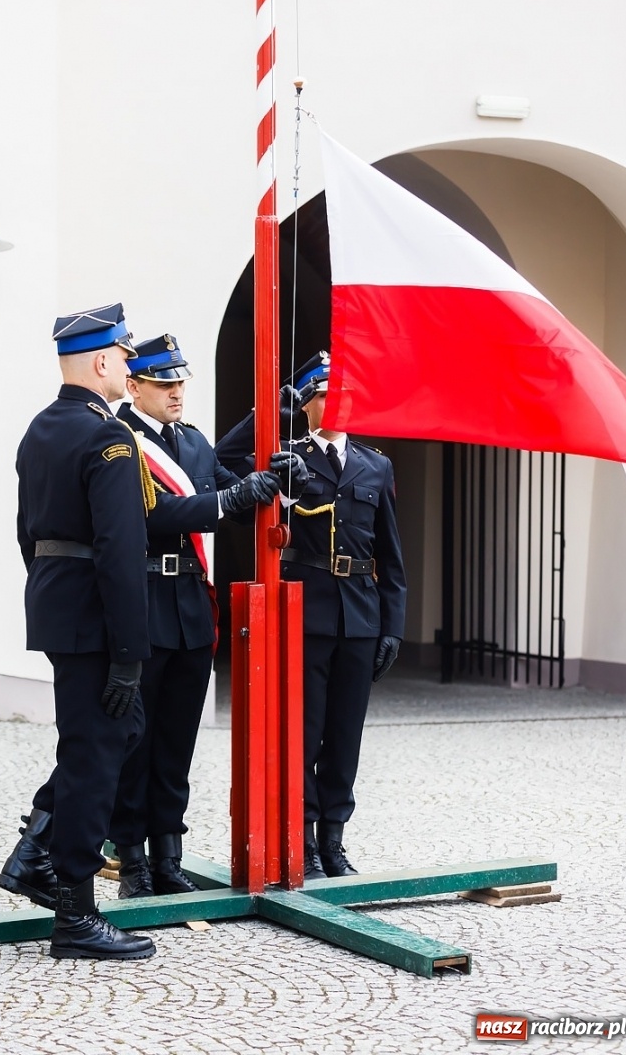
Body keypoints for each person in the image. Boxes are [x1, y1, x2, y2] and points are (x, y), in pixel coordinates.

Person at [0, 303, 157, 961]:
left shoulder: (41, 428)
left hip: (60, 606)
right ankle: (76, 914)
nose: (128, 367)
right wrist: (130, 653)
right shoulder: (108, 437)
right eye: (122, 357)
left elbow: (25, 532)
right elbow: (121, 552)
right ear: (100, 361)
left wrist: (54, 594)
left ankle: (36, 851)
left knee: (110, 735)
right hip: (94, 615)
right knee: (95, 755)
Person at [215, 351, 407, 879]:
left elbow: (391, 554)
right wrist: (268, 416)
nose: (336, 403)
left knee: (345, 735)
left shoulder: (375, 465)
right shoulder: (286, 457)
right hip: (307, 615)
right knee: (304, 732)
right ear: (306, 404)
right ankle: (301, 841)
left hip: (360, 616)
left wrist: (393, 625)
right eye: (323, 394)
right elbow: (222, 459)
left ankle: (333, 841)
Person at [108, 334, 287, 897]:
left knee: (177, 742)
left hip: (189, 605)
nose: (177, 392)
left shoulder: (191, 441)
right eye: (163, 383)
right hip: (144, 600)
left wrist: (276, 482)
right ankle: (132, 862)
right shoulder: (120, 439)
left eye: (180, 382)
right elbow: (156, 512)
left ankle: (168, 857)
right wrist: (230, 500)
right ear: (133, 386)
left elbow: (234, 492)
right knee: (136, 743)